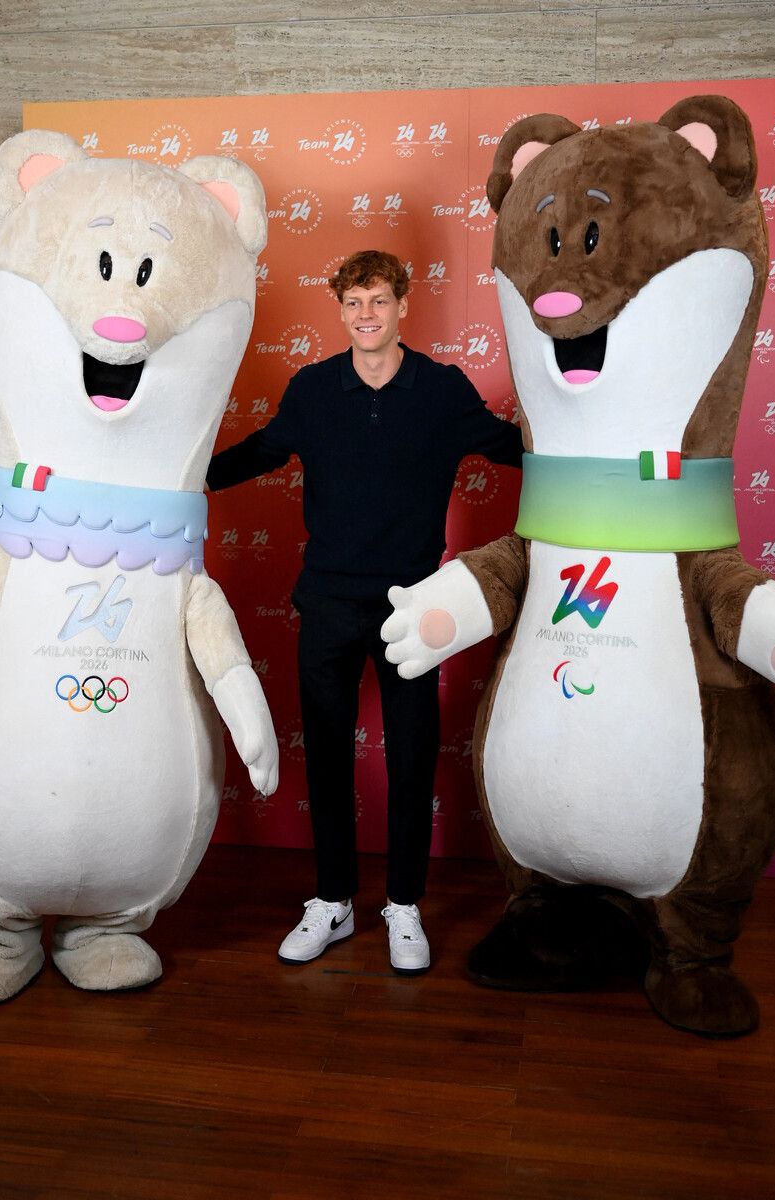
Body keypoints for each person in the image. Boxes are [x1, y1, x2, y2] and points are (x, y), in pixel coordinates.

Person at [206, 249, 522, 973]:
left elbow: (512, 450)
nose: (366, 316)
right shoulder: (313, 390)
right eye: (352, 303)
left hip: (412, 606)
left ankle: (403, 905)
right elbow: (260, 453)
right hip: (327, 600)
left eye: (378, 300)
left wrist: (593, 464)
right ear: (339, 310)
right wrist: (172, 479)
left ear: (402, 304)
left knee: (413, 758)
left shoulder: (441, 390)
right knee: (324, 755)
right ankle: (333, 901)